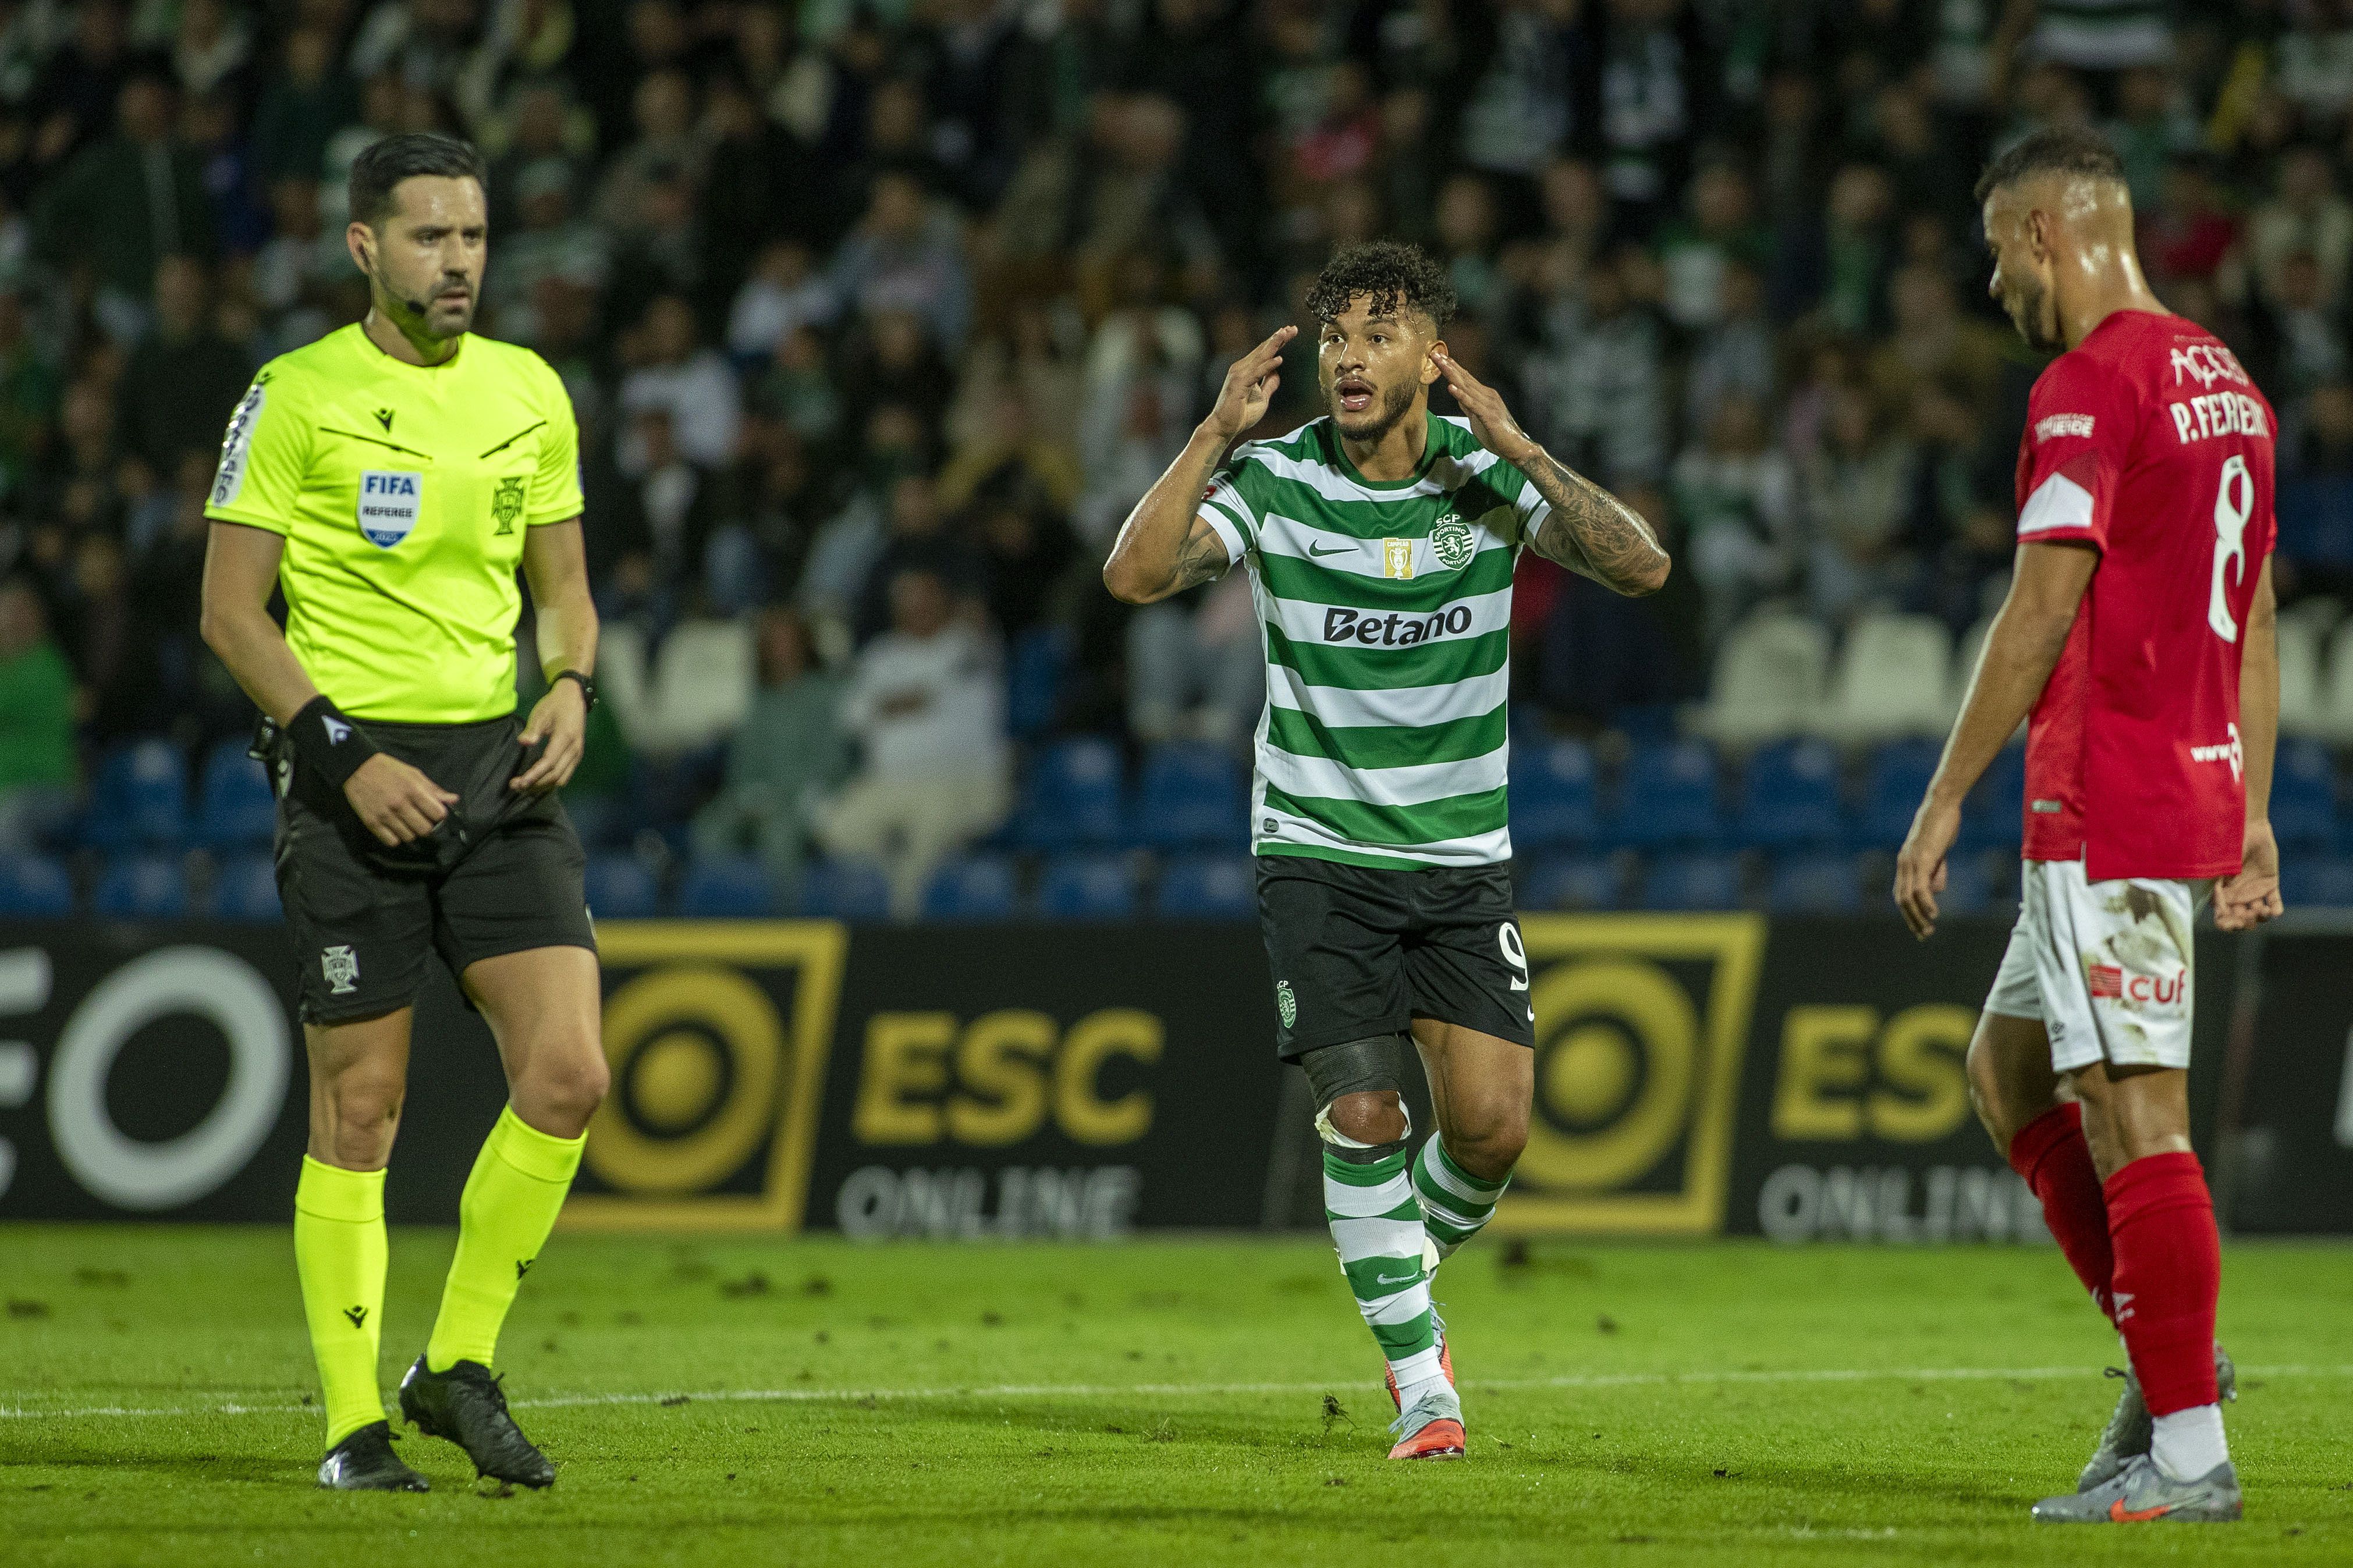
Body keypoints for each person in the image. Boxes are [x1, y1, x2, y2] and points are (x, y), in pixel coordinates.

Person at [1102, 240, 1668, 1462]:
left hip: (1461, 862)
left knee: (1494, 1129)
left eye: (1376, 332)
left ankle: (1391, 1271)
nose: (1347, 356)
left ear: (1432, 354)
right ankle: (1423, 1386)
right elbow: (1134, 574)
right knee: (1362, 1115)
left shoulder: (1482, 479)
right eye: (1332, 334)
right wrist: (1208, 434)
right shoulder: (1272, 478)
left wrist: (1518, 448)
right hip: (1316, 852)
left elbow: (1640, 565)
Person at [198, 132, 607, 1494]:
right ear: (363, 245)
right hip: (347, 773)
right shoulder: (296, 395)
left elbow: (563, 585)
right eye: (429, 238)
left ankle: (458, 1367)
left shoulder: (528, 390)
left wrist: (572, 681)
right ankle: (351, 1426)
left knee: (570, 1074)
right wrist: (343, 750)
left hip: (500, 772)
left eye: (475, 239)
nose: (457, 264)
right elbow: (229, 611)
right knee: (360, 1108)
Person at [1894, 127, 2283, 1526]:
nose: (1994, 276)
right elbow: (2256, 616)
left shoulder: (2084, 385)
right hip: (2181, 781)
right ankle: (2164, 1354)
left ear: (2045, 234)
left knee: (2131, 1106)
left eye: (1998, 247)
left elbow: (2039, 608)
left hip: (2103, 790)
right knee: (2006, 1075)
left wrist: (1940, 801)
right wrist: (2248, 811)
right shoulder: (2225, 382)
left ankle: (2186, 1459)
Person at [814, 566, 1010, 913]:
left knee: (924, 843)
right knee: (835, 828)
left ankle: (906, 933)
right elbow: (852, 716)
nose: (917, 608)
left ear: (944, 603)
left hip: (961, 779)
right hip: (888, 782)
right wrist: (903, 702)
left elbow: (952, 705)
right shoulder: (883, 654)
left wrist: (893, 704)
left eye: (926, 600)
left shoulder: (969, 645)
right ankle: (890, 889)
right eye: (908, 602)